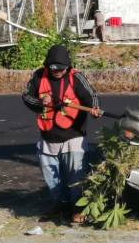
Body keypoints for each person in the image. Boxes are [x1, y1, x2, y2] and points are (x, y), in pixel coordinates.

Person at [22, 45, 101, 222]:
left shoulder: (76, 77)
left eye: (62, 68)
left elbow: (91, 96)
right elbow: (26, 96)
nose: (58, 71)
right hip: (47, 138)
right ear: (47, 65)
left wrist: (94, 108)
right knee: (51, 178)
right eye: (54, 68)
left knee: (76, 176)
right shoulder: (38, 76)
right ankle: (59, 206)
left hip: (73, 137)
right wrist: (41, 101)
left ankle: (78, 209)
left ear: (68, 66)